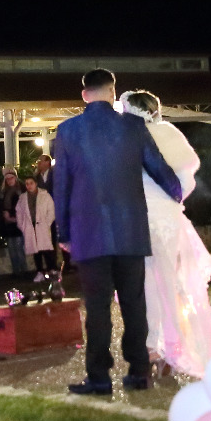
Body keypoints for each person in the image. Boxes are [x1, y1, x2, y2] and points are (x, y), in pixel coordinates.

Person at [55, 68, 182, 395]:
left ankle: (98, 378)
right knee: (134, 304)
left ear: (84, 94)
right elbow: (159, 169)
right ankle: (139, 372)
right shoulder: (133, 127)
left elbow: (62, 186)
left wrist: (65, 234)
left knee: (97, 308)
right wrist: (176, 193)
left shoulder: (68, 131)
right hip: (130, 230)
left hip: (89, 231)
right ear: (113, 92)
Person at [120, 89, 211, 378]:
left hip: (137, 217)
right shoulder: (170, 133)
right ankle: (169, 347)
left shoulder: (127, 138)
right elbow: (185, 182)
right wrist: (172, 204)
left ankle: (153, 346)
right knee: (168, 283)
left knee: (144, 284)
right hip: (166, 218)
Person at [16, 174, 57, 279]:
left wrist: (47, 223)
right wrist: (22, 226)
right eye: (27, 184)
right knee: (36, 251)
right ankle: (40, 271)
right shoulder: (22, 198)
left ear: (36, 184)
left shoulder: (45, 195)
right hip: (30, 226)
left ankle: (52, 269)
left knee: (47, 250)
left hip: (42, 225)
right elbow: (19, 213)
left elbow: (51, 210)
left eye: (31, 183)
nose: (29, 186)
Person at [0, 166, 25, 275]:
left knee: (19, 248)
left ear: (15, 178)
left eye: (11, 178)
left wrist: (14, 217)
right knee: (12, 249)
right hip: (8, 224)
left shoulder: (20, 191)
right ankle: (16, 270)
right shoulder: (3, 192)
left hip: (18, 222)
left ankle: (23, 270)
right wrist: (5, 214)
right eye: (7, 179)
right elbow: (1, 205)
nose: (9, 180)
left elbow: (23, 207)